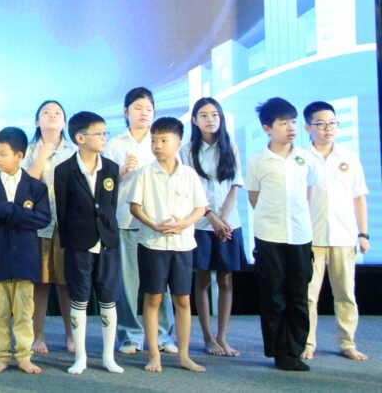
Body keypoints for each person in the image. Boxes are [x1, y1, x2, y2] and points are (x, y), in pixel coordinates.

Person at [247, 97, 320, 371]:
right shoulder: (257, 161)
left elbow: (309, 194)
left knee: (298, 295)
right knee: (273, 296)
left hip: (300, 235)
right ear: (267, 129)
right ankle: (279, 352)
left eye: (293, 122)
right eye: (283, 123)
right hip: (270, 236)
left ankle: (295, 349)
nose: (291, 127)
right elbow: (254, 198)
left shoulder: (306, 158)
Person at [130, 117, 207, 374]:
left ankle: (183, 355)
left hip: (182, 245)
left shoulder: (189, 174)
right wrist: (153, 225)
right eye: (154, 140)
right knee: (153, 298)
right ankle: (154, 354)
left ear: (178, 143)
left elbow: (200, 208)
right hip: (152, 244)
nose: (157, 146)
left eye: (164, 140)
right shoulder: (145, 172)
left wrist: (184, 223)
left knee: (182, 300)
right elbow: (135, 207)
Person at [0, 126, 50, 375]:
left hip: (25, 258)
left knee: (25, 310)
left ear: (19, 156)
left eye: (3, 154)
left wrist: (13, 211)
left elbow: (43, 218)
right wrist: (2, 209)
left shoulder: (36, 187)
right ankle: (1, 355)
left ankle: (24, 355)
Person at [105, 87, 174, 354]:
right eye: (138, 108)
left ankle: (162, 335)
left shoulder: (161, 140)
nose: (144, 113)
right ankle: (130, 335)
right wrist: (122, 172)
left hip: (157, 222)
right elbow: (104, 184)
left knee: (159, 282)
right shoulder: (115, 143)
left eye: (148, 109)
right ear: (126, 112)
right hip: (125, 219)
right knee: (127, 283)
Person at [54, 111, 123, 375]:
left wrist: (107, 233)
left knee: (108, 299)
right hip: (78, 245)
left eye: (106, 132)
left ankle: (108, 356)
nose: (104, 137)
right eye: (99, 133)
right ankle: (80, 356)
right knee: (79, 300)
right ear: (81, 138)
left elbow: (110, 207)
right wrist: (72, 241)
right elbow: (63, 212)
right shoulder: (64, 170)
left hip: (107, 243)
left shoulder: (111, 168)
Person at [302, 101, 370, 362]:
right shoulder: (301, 158)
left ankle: (347, 342)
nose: (328, 128)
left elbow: (358, 197)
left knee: (345, 294)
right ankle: (307, 342)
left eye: (332, 123)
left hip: (343, 235)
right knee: (309, 296)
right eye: (321, 124)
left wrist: (363, 234)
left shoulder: (348, 157)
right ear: (308, 127)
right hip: (311, 237)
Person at [181, 97, 244, 357]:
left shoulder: (231, 148)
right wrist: (212, 218)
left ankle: (222, 337)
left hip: (229, 224)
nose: (211, 119)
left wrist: (223, 219)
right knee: (203, 279)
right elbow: (190, 190)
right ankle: (208, 337)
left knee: (226, 279)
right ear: (195, 120)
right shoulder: (187, 151)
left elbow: (235, 186)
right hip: (201, 224)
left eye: (215, 115)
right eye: (204, 115)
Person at [24, 99, 76, 354]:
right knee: (40, 282)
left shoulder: (75, 150)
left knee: (66, 282)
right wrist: (42, 156)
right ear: (37, 121)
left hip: (67, 224)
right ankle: (38, 335)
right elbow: (25, 184)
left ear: (64, 122)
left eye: (58, 112)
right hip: (39, 223)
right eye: (46, 112)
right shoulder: (28, 151)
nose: (52, 115)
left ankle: (71, 334)